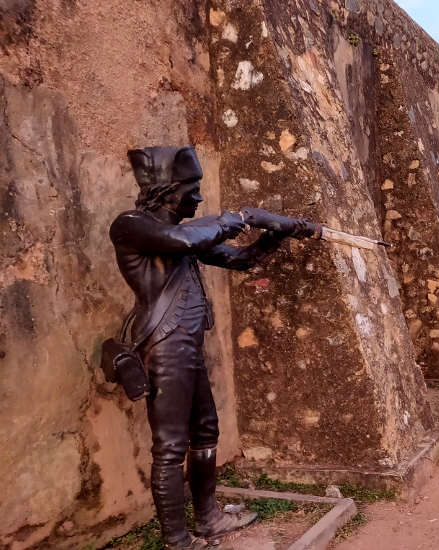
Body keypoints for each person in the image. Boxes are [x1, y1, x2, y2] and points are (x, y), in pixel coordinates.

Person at [109, 146, 315, 549]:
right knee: (169, 445)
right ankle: (177, 539)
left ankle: (209, 519)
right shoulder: (132, 225)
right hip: (164, 344)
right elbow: (182, 240)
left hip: (188, 343)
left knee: (205, 431)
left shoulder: (187, 234)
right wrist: (240, 217)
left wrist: (276, 235)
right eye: (192, 189)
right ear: (168, 190)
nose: (198, 198)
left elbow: (240, 261)